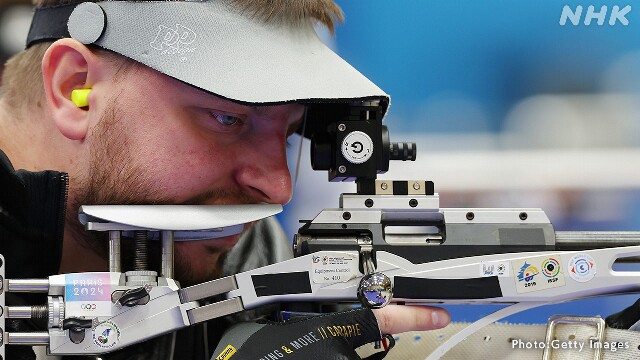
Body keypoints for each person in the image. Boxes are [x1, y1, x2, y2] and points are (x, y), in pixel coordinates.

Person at [0, 0, 450, 359]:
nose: (278, 188)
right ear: (75, 89)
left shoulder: (257, 267)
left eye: (291, 134)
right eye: (227, 118)